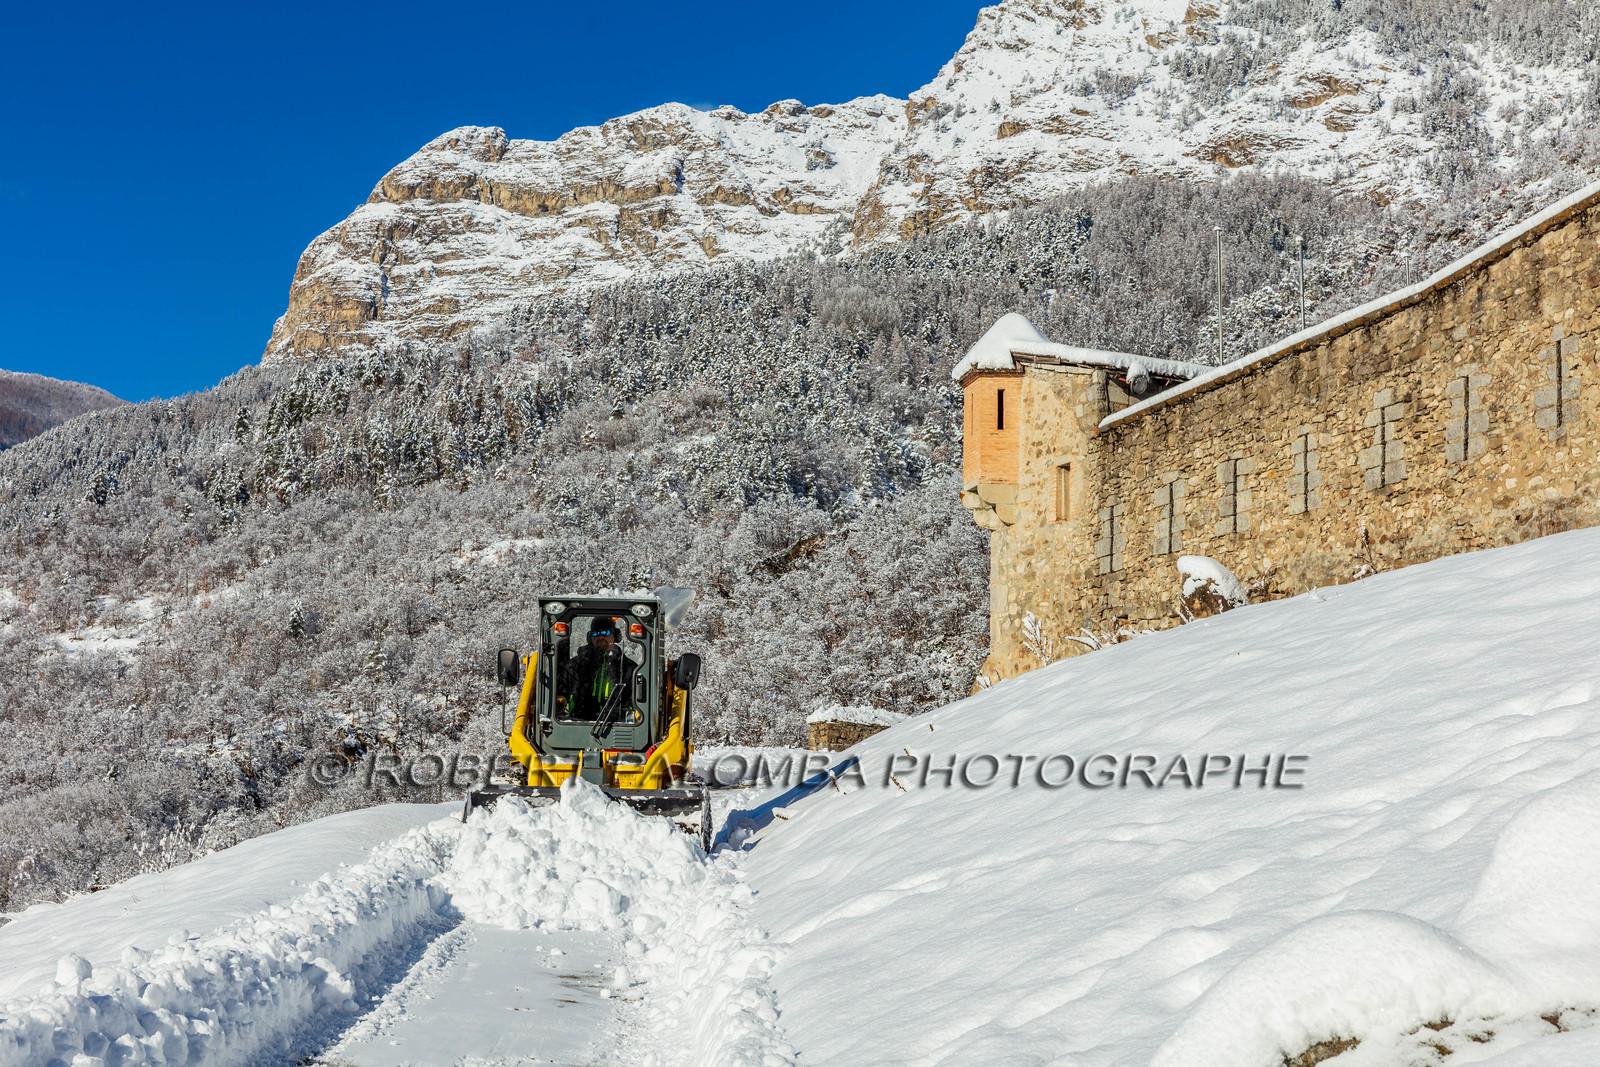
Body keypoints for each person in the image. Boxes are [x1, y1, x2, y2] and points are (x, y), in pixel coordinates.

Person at [558, 618, 637, 721]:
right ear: (590, 637)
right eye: (595, 634)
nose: (600, 637)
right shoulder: (575, 666)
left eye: (605, 633)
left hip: (618, 726)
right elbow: (560, 693)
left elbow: (637, 702)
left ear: (615, 636)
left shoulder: (629, 668)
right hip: (579, 725)